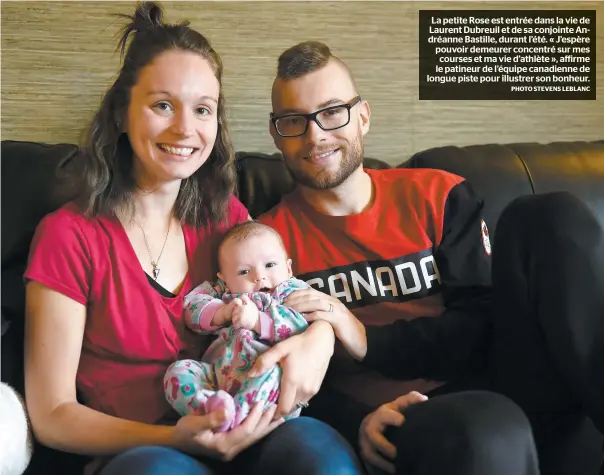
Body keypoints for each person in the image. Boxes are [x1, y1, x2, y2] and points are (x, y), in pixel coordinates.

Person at [22, 4, 364, 475]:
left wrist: (320, 339)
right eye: (163, 105)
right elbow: (52, 415)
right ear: (122, 113)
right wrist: (176, 440)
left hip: (254, 425)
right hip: (146, 447)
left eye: (202, 109)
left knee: (321, 459)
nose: (185, 130)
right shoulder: (69, 236)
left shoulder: (227, 220)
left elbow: (289, 297)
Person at [255, 41, 604, 475]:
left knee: (549, 214)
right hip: (403, 419)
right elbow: (265, 368)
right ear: (275, 134)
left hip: (499, 378)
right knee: (485, 428)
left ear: (362, 116)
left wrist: (364, 339)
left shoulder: (438, 194)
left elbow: (481, 324)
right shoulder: (266, 246)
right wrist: (352, 422)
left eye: (331, 112)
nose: (315, 136)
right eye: (294, 121)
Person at [164, 221, 310, 431]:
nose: (259, 276)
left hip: (266, 377)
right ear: (224, 279)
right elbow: (191, 310)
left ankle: (238, 420)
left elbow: (300, 324)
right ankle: (210, 410)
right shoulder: (222, 295)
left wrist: (257, 321)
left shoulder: (291, 291)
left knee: (275, 372)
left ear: (288, 267)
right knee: (178, 371)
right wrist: (222, 312)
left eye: (270, 265)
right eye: (243, 272)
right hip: (216, 376)